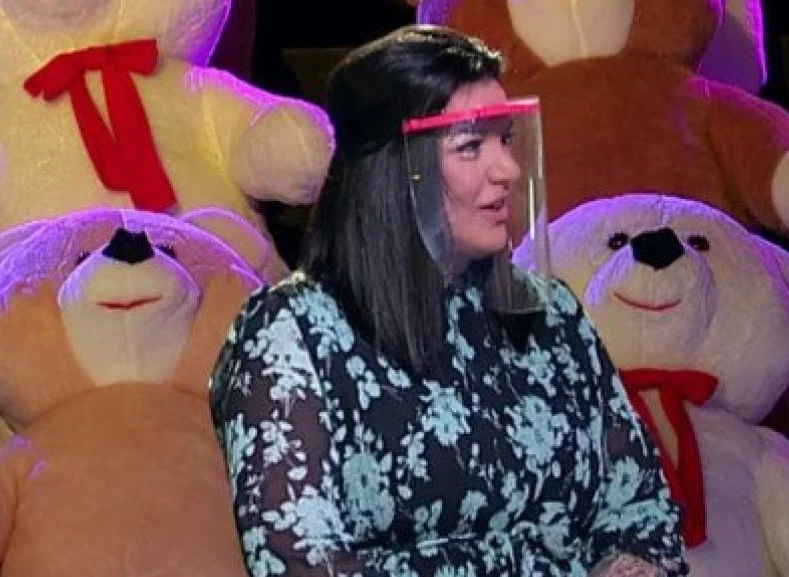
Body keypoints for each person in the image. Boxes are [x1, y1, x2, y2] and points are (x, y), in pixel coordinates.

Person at [209, 24, 688, 577]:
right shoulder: (290, 332)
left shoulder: (553, 313)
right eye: (470, 146)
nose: (507, 169)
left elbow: (643, 514)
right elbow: (301, 565)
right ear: (395, 170)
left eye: (506, 139)